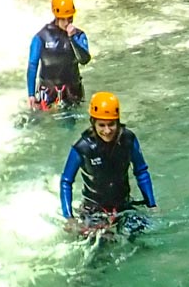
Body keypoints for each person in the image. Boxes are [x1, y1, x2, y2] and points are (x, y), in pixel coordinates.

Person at [60, 91, 156, 233]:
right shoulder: (82, 147)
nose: (107, 130)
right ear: (93, 123)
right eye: (102, 125)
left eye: (111, 124)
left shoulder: (128, 140)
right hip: (93, 210)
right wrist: (69, 217)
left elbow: (141, 171)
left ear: (117, 122)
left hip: (123, 206)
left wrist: (152, 205)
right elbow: (66, 181)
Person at [27, 0, 91, 110]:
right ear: (57, 17)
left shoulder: (79, 35)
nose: (67, 23)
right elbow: (32, 65)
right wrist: (31, 94)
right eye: (64, 19)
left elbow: (84, 60)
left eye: (70, 19)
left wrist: (72, 39)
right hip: (47, 92)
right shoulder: (41, 37)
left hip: (72, 92)